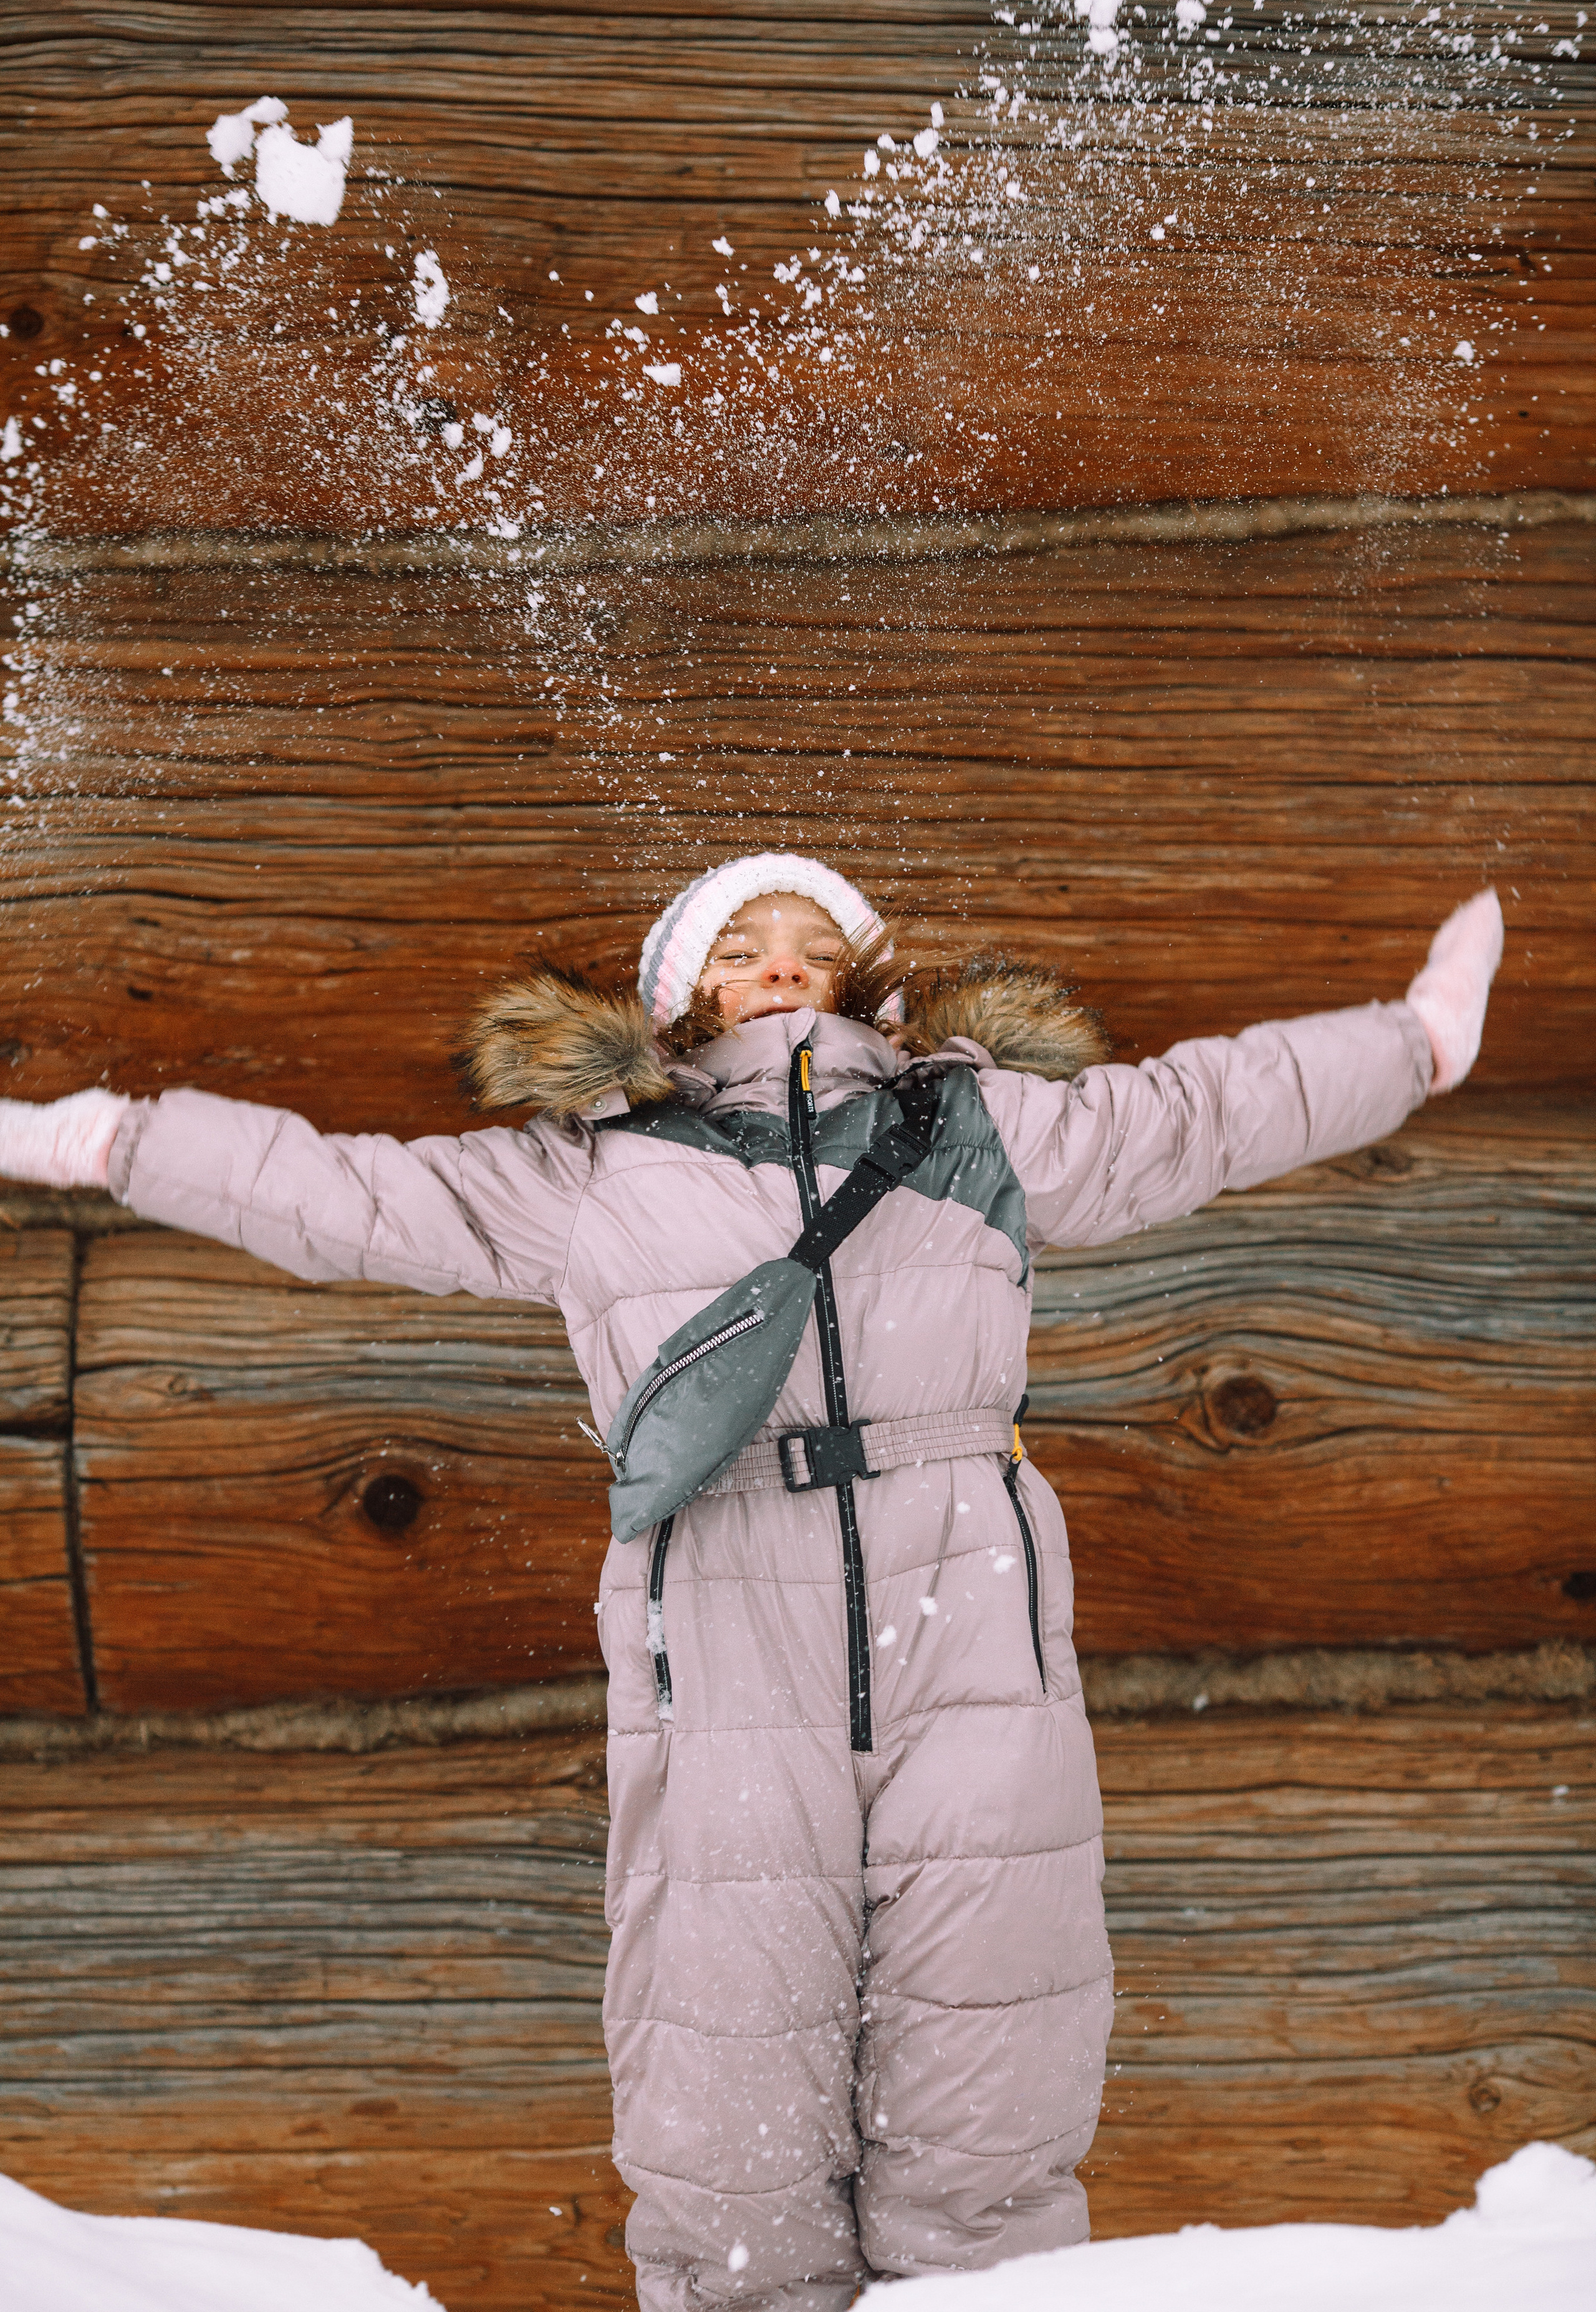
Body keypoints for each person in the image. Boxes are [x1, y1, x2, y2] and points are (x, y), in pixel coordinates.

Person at [0, 853, 1502, 2310]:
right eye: (738, 944)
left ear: (866, 983)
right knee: (732, 2120)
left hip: (969, 1625)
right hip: (719, 1632)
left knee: (987, 2079)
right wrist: (109, 1143)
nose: (778, 963)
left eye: (808, 941)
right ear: (679, 1000)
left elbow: (1198, 1111)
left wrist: (1411, 1045)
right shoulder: (593, 1170)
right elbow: (341, 1192)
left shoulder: (977, 1128)